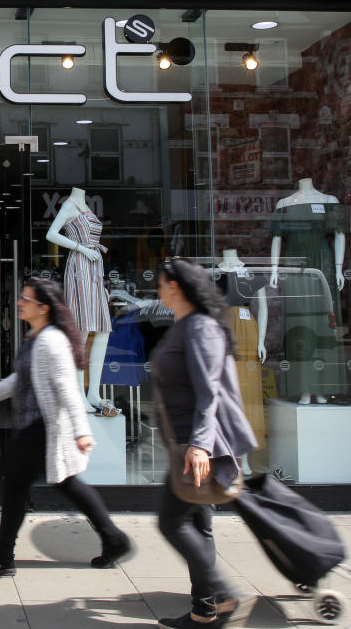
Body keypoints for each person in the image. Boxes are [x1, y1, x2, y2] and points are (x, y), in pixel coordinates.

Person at [0, 278, 131, 577]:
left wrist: (82, 431)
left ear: (43, 307)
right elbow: (22, 379)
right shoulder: (36, 337)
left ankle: (3, 555)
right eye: (21, 297)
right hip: (35, 424)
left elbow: (68, 388)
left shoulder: (51, 341)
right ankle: (113, 538)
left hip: (41, 426)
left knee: (16, 488)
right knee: (68, 483)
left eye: (26, 299)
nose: (20, 302)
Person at [151, 257, 258, 629]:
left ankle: (224, 593)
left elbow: (208, 392)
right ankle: (205, 610)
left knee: (171, 522)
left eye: (161, 283)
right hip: (185, 441)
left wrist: (199, 446)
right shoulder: (187, 325)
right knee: (199, 525)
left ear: (175, 287)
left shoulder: (200, 328)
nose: (157, 288)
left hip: (194, 446)